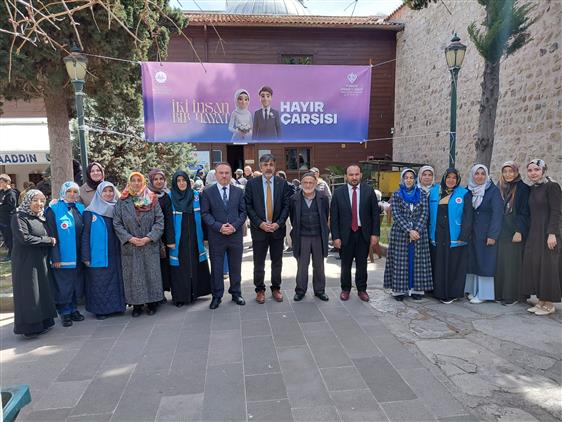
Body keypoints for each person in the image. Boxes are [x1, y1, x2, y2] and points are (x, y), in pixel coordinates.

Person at [113, 172, 164, 317]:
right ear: (129, 183)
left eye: (139, 180)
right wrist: (129, 238)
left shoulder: (152, 199)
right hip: (131, 245)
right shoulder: (122, 201)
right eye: (133, 180)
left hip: (149, 244)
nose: (136, 183)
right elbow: (117, 223)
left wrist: (149, 237)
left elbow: (159, 221)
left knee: (151, 274)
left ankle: (152, 303)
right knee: (134, 276)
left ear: (143, 182)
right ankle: (137, 305)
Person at [245, 154, 292, 303]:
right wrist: (260, 223)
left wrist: (279, 223)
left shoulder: (282, 184)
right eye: (265, 165)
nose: (268, 168)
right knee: (259, 262)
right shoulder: (252, 184)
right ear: (260, 167)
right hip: (259, 230)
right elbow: (248, 206)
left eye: (271, 164)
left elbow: (286, 206)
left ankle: (276, 288)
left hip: (277, 230)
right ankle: (259, 290)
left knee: (277, 262)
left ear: (275, 166)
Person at [11, 190, 57, 338]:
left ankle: (44, 322)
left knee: (41, 291)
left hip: (40, 260)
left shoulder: (40, 217)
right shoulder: (19, 217)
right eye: (35, 200)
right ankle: (30, 327)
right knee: (29, 293)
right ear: (27, 201)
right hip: (26, 263)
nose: (39, 204)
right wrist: (48, 240)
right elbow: (25, 238)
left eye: (42, 201)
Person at [330, 164, 380, 301]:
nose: (354, 177)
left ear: (361, 175)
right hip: (345, 235)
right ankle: (345, 289)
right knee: (345, 265)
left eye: (356, 174)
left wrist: (375, 234)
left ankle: (362, 289)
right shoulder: (338, 193)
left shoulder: (369, 191)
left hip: (363, 233)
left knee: (362, 264)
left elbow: (375, 214)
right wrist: (335, 237)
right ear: (346, 176)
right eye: (351, 175)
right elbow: (334, 217)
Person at [201, 163, 247, 309]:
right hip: (217, 236)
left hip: (235, 235)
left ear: (231, 174)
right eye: (221, 173)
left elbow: (243, 212)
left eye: (227, 173)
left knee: (235, 267)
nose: (224, 176)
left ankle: (236, 293)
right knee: (216, 267)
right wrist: (219, 227)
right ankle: (217, 296)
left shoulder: (239, 191)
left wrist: (234, 226)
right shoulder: (207, 192)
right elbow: (205, 213)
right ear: (215, 175)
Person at [384, 169, 433, 301]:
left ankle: (417, 290)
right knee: (400, 262)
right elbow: (396, 214)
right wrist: (409, 230)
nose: (409, 180)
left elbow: (425, 213)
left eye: (411, 177)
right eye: (406, 177)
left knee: (417, 261)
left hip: (419, 233)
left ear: (415, 179)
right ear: (403, 179)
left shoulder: (422, 194)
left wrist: (416, 230)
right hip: (401, 233)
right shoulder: (397, 195)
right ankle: (399, 290)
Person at [165, 170, 212, 307]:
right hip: (178, 239)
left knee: (194, 264)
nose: (181, 183)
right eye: (178, 181)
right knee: (180, 267)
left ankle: (194, 292)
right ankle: (180, 296)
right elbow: (168, 221)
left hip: (194, 237)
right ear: (175, 183)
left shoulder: (196, 195)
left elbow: (203, 216)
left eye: (184, 180)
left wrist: (205, 236)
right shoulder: (170, 197)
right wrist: (170, 240)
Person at [522, 159, 561, 316]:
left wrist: (552, 233)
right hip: (535, 233)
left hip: (548, 233)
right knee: (537, 266)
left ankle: (549, 304)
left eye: (537, 169)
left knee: (548, 267)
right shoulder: (533, 188)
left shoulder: (552, 186)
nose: (533, 173)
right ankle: (541, 300)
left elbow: (557, 211)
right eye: (530, 170)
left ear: (544, 170)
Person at [81, 182, 126, 320]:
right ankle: (101, 310)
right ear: (99, 193)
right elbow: (85, 235)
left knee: (116, 280)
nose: (108, 194)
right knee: (99, 281)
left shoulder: (117, 208)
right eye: (105, 191)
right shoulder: (89, 212)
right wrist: (85, 256)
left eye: (111, 191)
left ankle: (117, 307)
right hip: (98, 253)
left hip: (116, 252)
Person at [429, 169, 473, 304]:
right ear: (444, 178)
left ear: (458, 180)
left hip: (455, 235)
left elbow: (468, 216)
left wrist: (464, 235)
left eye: (454, 178)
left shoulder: (464, 193)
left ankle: (452, 293)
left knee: (454, 265)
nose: (451, 180)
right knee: (438, 263)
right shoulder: (434, 192)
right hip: (437, 234)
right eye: (448, 177)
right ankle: (438, 292)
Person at [45, 181, 85, 326]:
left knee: (75, 284)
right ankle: (65, 312)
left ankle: (73, 309)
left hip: (78, 255)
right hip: (62, 257)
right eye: (69, 191)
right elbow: (52, 234)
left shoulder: (80, 208)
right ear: (63, 192)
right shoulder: (53, 209)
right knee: (63, 285)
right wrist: (55, 257)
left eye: (75, 192)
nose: (72, 194)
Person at [464, 164, 504, 304]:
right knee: (473, 261)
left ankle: (484, 294)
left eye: (482, 174)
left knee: (485, 262)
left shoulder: (493, 191)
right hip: (472, 233)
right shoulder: (469, 190)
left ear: (487, 175)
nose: (479, 176)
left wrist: (493, 235)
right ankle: (473, 290)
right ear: (472, 175)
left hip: (486, 234)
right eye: (477, 173)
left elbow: (497, 215)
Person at [289, 173, 330, 301]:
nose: (308, 185)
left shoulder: (323, 198)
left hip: (318, 236)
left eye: (311, 182)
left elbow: (325, 215)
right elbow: (293, 217)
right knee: (302, 266)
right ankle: (300, 290)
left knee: (319, 265)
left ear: (315, 183)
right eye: (305, 182)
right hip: (302, 237)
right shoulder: (294, 199)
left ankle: (320, 290)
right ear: (301, 184)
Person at [495, 161, 530, 305]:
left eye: (511, 171)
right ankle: (500, 293)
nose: (508, 174)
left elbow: (525, 212)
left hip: (515, 231)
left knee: (513, 264)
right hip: (502, 231)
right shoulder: (500, 187)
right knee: (502, 263)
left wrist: (519, 230)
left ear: (516, 172)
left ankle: (513, 296)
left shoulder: (523, 188)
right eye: (505, 171)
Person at [148, 169, 174, 299]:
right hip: (151, 236)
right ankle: (156, 295)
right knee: (154, 267)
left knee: (166, 265)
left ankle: (165, 291)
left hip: (166, 237)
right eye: (156, 179)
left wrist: (170, 238)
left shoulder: (168, 195)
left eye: (161, 179)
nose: (159, 181)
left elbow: (170, 217)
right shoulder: (146, 195)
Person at [0, 174, 17, 260]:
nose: (0, 184)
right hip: (2, 219)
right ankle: (10, 252)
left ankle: (12, 254)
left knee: (9, 237)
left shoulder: (11, 193)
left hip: (8, 219)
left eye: (2, 182)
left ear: (7, 182)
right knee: (5, 237)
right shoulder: (2, 192)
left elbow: (11, 206)